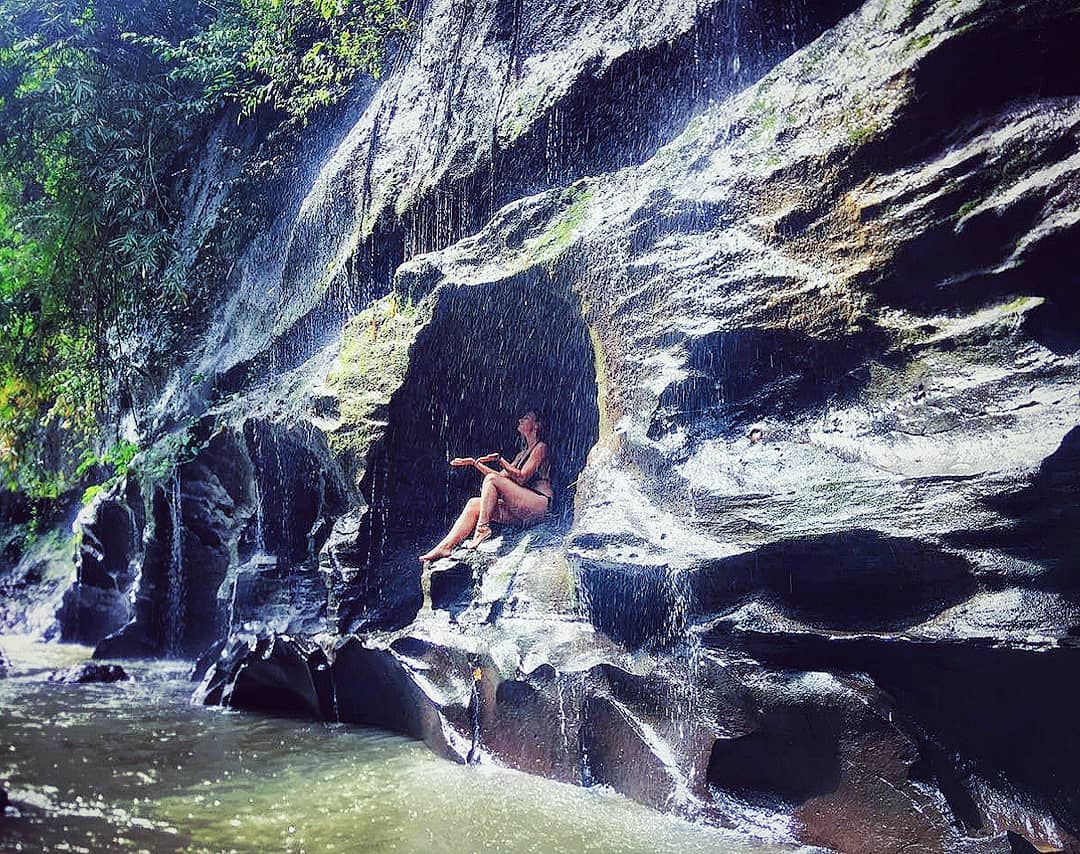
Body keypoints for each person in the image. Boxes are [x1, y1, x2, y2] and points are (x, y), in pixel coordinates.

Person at [419, 410, 553, 563]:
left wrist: (500, 460)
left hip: (539, 506)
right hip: (522, 511)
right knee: (474, 504)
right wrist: (475, 463)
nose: (520, 420)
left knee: (491, 480)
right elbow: (500, 478)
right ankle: (445, 546)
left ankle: (482, 529)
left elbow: (521, 477)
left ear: (537, 425)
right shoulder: (521, 454)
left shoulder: (541, 447)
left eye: (526, 418)